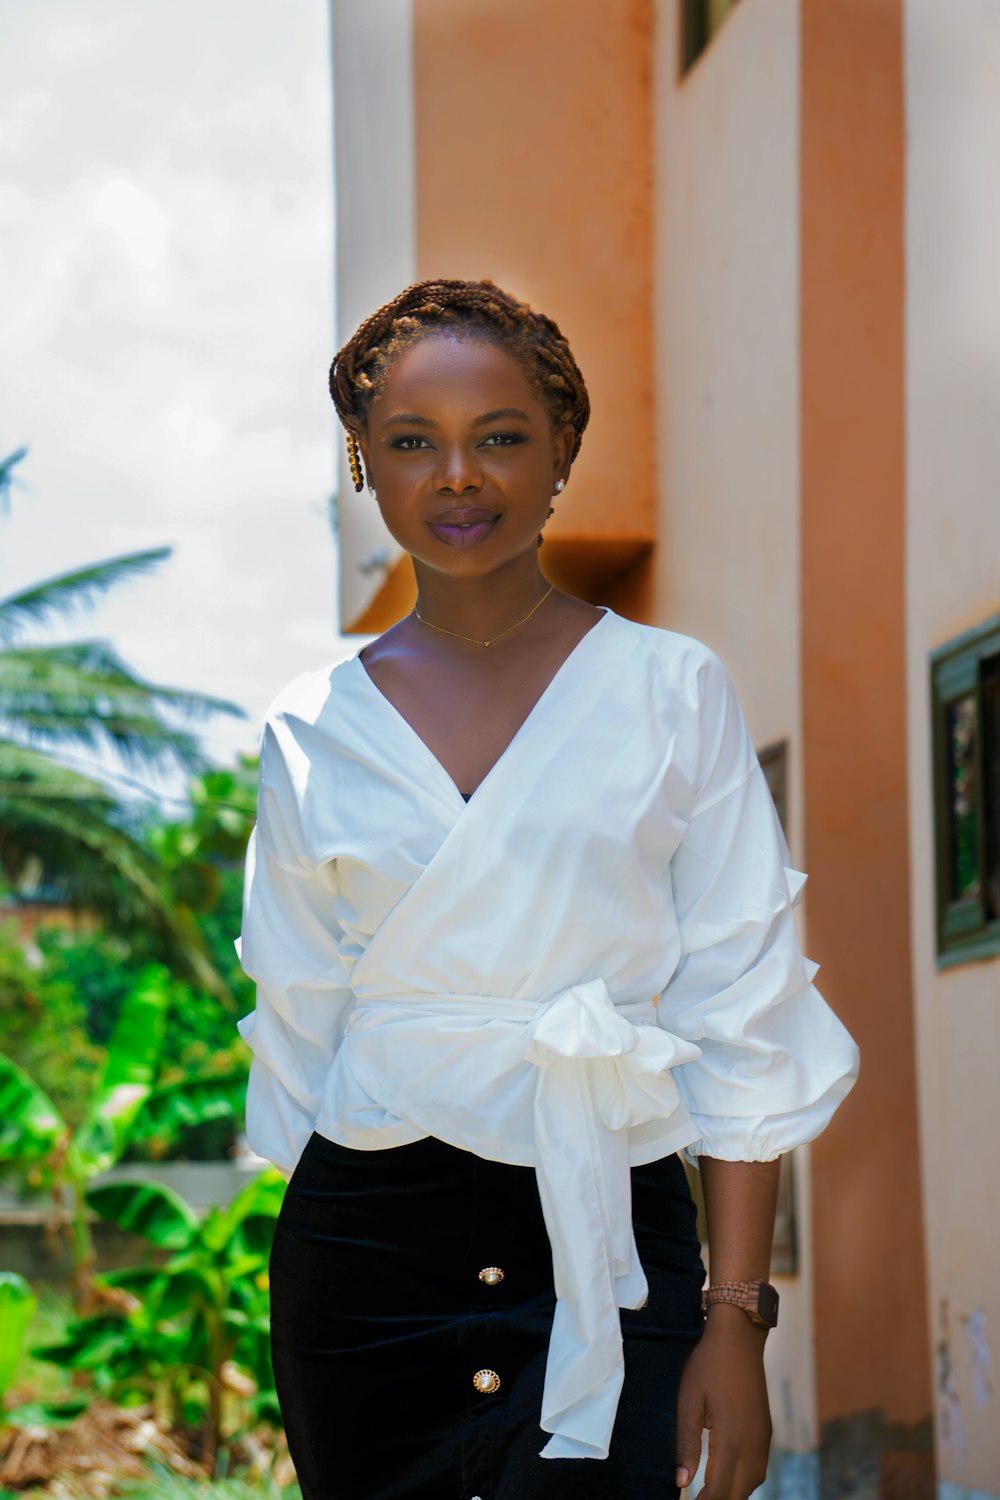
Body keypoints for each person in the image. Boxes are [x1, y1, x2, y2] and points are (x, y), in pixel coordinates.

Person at [237, 278, 859, 1500]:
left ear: (562, 452)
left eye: (501, 437)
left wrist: (734, 1317)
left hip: (614, 1242)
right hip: (365, 1265)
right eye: (411, 443)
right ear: (364, 465)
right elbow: (306, 1030)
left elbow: (741, 1010)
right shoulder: (309, 731)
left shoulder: (670, 691)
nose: (456, 476)